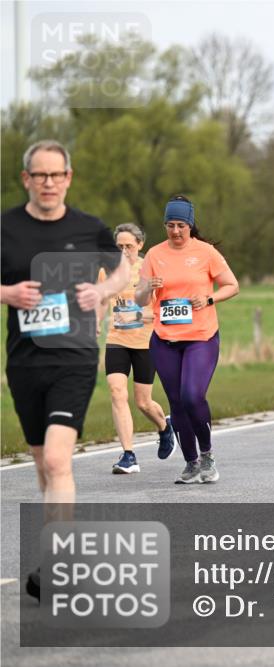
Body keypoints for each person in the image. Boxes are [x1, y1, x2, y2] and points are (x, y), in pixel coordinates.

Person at [2, 140, 129, 599]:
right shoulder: (6, 228)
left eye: (56, 175)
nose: (49, 183)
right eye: (40, 175)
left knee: (57, 459)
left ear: (68, 178)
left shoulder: (89, 228)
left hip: (74, 357)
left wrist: (103, 292)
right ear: (27, 179)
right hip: (24, 361)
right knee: (43, 462)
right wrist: (7, 294)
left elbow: (122, 271)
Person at [135, 196, 239, 484]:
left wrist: (208, 298)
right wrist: (147, 287)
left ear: (190, 225)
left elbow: (232, 285)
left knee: (192, 396)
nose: (175, 231)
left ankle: (207, 455)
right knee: (177, 402)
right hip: (164, 339)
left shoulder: (206, 252)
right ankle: (191, 463)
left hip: (201, 338)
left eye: (181, 225)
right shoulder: (154, 254)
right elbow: (140, 299)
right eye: (170, 225)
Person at [98, 223, 176, 474]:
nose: (124, 251)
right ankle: (128, 455)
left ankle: (165, 427)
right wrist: (96, 323)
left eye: (129, 246)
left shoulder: (151, 269)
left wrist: (137, 317)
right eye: (119, 246)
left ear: (140, 245)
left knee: (143, 402)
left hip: (145, 342)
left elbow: (164, 309)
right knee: (117, 392)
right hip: (116, 340)